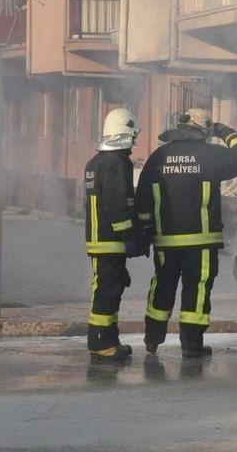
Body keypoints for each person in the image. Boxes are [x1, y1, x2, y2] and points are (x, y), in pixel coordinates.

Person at [136, 108, 237, 357]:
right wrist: (224, 131)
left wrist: (144, 232)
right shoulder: (210, 155)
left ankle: (152, 338)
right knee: (197, 290)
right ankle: (191, 344)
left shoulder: (159, 157)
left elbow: (142, 198)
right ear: (204, 130)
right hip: (201, 242)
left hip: (166, 242)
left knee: (162, 285)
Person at [84, 108, 147, 363]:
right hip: (110, 241)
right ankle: (101, 342)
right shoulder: (115, 163)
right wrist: (130, 236)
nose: (134, 142)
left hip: (102, 241)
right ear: (124, 134)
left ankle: (109, 340)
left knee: (111, 288)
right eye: (133, 136)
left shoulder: (96, 162)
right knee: (107, 291)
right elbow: (118, 205)